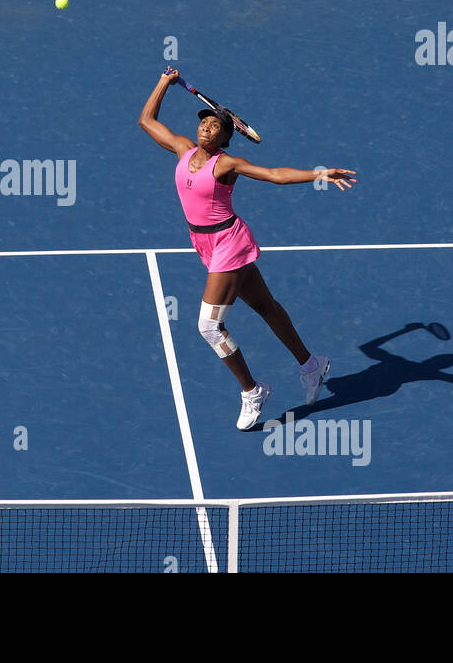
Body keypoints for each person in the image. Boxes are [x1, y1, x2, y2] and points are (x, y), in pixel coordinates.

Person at [138, 66, 357, 431]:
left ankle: (252, 390)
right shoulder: (182, 149)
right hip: (204, 243)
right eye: (204, 122)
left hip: (229, 242)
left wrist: (318, 173)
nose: (206, 126)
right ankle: (311, 364)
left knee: (208, 326)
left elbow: (274, 174)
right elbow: (146, 119)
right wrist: (164, 82)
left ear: (226, 137)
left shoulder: (227, 164)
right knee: (263, 306)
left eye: (215, 125)